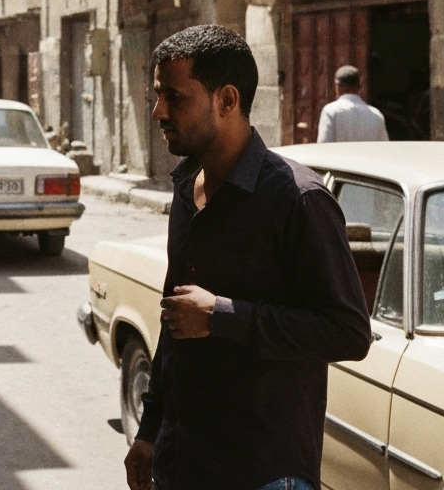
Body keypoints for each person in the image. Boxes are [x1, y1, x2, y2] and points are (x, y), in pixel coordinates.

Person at [124, 25, 371, 490]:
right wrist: (150, 431)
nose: (158, 112)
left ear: (227, 100)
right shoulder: (187, 186)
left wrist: (222, 317)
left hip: (262, 472)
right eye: (157, 96)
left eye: (174, 97)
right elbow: (176, 323)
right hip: (184, 461)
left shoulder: (298, 199)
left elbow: (348, 332)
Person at [317, 64, 389, 142]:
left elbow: (324, 143)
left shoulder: (330, 111)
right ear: (359, 87)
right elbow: (384, 145)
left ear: (337, 86)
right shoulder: (376, 115)